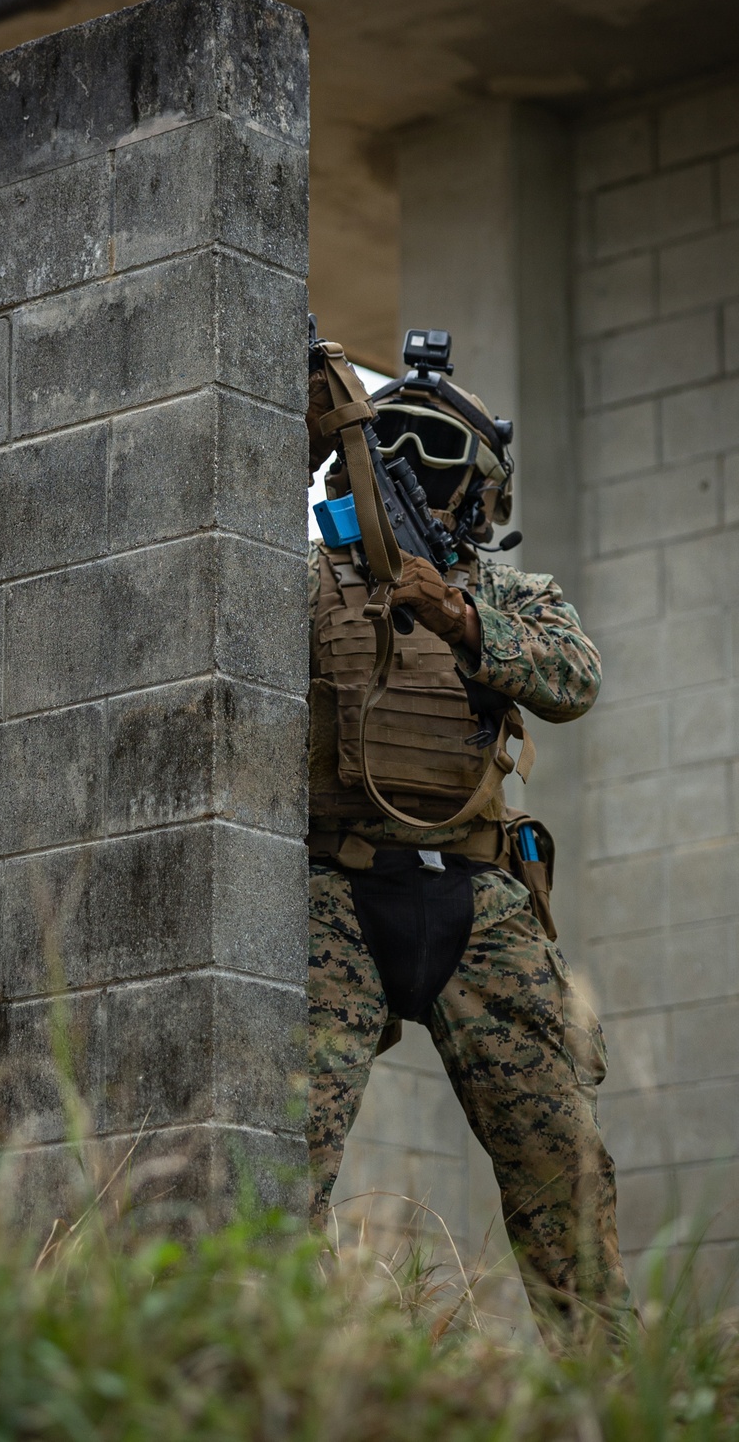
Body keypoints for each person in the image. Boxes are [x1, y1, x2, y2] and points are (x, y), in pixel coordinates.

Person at [304, 336, 631, 1333]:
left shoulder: (514, 598)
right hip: (334, 890)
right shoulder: (309, 582)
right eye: (401, 449)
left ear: (483, 500)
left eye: (446, 465)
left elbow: (572, 681)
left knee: (562, 1171)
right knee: (281, 1146)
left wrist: (463, 623)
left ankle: (614, 1399)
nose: (429, 483)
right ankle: (267, 1364)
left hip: (481, 900)